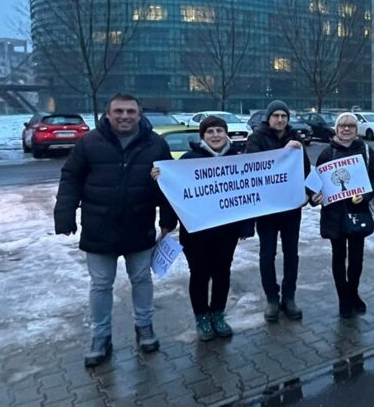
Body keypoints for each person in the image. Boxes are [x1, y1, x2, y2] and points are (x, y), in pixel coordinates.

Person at [54, 93, 176, 367]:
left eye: (130, 111)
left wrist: (168, 220)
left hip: (139, 226)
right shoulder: (89, 143)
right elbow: (71, 176)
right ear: (108, 114)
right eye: (119, 111)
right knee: (100, 285)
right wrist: (64, 214)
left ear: (139, 114)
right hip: (99, 228)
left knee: (142, 280)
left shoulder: (156, 144)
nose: (125, 116)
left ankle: (144, 328)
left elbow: (169, 185)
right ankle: (101, 337)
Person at [151, 116, 253, 341]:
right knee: (199, 274)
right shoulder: (189, 160)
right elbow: (172, 195)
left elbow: (249, 194)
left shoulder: (238, 159)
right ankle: (202, 318)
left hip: (227, 231)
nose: (215, 135)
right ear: (202, 136)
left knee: (222, 273)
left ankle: (218, 313)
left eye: (219, 130)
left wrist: (246, 226)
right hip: (196, 232)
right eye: (210, 132)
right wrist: (167, 221)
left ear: (226, 133)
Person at [245, 100, 310, 323]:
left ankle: (289, 296)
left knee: (292, 253)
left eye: (284, 116)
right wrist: (284, 153)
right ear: (268, 118)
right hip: (267, 209)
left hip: (291, 207)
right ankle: (272, 298)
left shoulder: (296, 137)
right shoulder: (256, 138)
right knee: (267, 254)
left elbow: (305, 168)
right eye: (276, 116)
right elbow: (254, 167)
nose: (280, 120)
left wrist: (312, 193)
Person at [312, 113, 374, 318]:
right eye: (342, 125)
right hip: (334, 214)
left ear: (356, 128)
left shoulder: (366, 151)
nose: (346, 129)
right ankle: (343, 298)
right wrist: (314, 196)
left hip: (357, 212)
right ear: (336, 128)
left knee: (357, 258)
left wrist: (366, 195)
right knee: (338, 257)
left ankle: (353, 293)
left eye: (351, 125)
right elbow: (317, 182)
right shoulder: (327, 153)